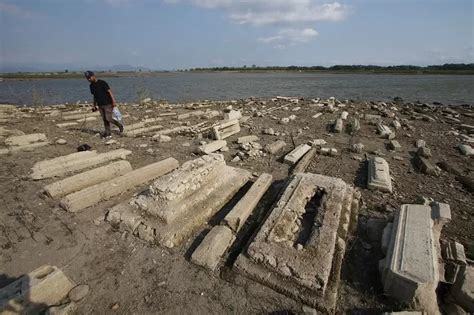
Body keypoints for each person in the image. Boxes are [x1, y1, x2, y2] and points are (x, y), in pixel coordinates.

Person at [84, 71, 124, 138]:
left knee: (108, 118)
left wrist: (114, 101)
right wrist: (94, 105)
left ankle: (119, 125)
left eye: (89, 77)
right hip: (100, 104)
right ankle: (108, 133)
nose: (88, 79)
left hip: (108, 103)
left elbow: (109, 92)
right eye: (87, 78)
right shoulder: (91, 86)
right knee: (105, 119)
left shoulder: (102, 83)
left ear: (93, 76)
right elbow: (94, 96)